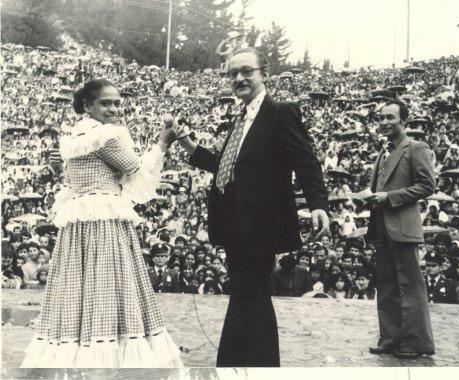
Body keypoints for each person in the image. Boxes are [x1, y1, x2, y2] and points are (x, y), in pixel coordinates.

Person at [172, 47, 329, 367]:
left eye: (247, 71)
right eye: (233, 74)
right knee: (247, 295)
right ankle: (241, 364)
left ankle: (245, 365)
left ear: (264, 73)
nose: (239, 79)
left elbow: (306, 160)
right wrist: (189, 145)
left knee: (252, 294)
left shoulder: (281, 111)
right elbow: (226, 166)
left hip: (262, 222)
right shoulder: (241, 117)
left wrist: (318, 205)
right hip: (235, 223)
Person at [21, 79, 182, 368]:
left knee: (79, 285)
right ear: (87, 105)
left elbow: (71, 184)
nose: (114, 109)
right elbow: (139, 176)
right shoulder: (106, 136)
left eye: (118, 103)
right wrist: (161, 144)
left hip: (78, 221)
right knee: (109, 282)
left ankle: (80, 347)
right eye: (106, 103)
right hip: (103, 218)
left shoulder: (73, 135)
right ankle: (109, 352)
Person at [365, 100, 436, 359]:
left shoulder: (416, 148)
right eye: (381, 118)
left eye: (390, 118)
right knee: (386, 284)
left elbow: (427, 186)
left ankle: (416, 343)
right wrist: (371, 196)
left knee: (410, 286)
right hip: (382, 226)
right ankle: (390, 339)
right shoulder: (383, 151)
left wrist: (389, 197)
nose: (384, 122)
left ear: (403, 121)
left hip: (403, 226)